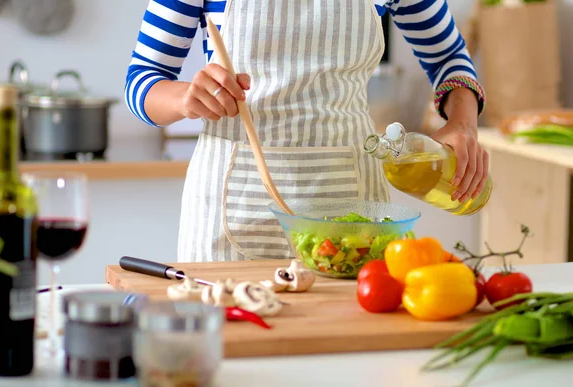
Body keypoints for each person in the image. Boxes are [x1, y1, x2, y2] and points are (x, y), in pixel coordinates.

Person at [125, 0, 488, 263]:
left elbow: (449, 57)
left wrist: (462, 123)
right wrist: (188, 98)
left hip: (352, 210)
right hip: (229, 212)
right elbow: (142, 81)